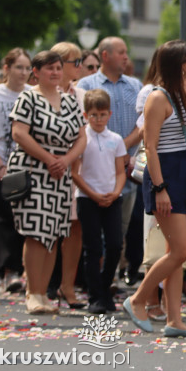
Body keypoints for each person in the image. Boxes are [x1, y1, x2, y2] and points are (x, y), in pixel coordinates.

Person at [123, 41, 186, 338]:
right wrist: (160, 188)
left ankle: (175, 320)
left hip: (183, 175)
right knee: (181, 249)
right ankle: (138, 299)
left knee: (178, 252)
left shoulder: (179, 94)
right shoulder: (158, 97)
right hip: (165, 176)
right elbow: (151, 147)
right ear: (176, 64)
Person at [8, 50, 86, 315]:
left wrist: (65, 160)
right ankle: (33, 292)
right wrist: (49, 158)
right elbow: (19, 133)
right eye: (49, 68)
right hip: (34, 169)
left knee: (54, 234)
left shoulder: (70, 101)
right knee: (35, 232)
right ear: (36, 72)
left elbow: (81, 137)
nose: (54, 73)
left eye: (57, 68)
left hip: (60, 173)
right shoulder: (28, 96)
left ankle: (44, 295)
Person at [76, 36, 143, 286]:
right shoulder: (86, 84)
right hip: (93, 171)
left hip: (125, 169)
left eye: (126, 52)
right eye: (121, 52)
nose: (126, 57)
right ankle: (96, 282)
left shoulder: (135, 85)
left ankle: (110, 277)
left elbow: (143, 124)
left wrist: (121, 148)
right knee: (95, 235)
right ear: (105, 55)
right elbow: (80, 124)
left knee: (120, 229)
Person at [72, 89, 127, 314]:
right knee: (92, 248)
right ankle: (94, 296)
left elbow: (121, 171)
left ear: (109, 114)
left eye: (102, 115)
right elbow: (76, 173)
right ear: (86, 115)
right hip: (88, 198)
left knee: (114, 245)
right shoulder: (82, 138)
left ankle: (105, 289)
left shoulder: (115, 139)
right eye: (94, 115)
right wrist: (93, 194)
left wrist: (115, 192)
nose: (98, 119)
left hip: (112, 198)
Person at [0, 48, 30, 292]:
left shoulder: (32, 94)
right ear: (6, 68)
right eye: (18, 67)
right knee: (1, 219)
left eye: (26, 68)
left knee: (22, 220)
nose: (23, 72)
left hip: (25, 167)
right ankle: (4, 270)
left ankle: (19, 271)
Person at [47, 41, 86, 309]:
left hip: (79, 170)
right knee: (47, 230)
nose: (80, 66)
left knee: (74, 229)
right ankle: (40, 285)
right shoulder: (40, 92)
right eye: (75, 62)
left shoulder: (82, 94)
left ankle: (67, 286)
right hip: (49, 169)